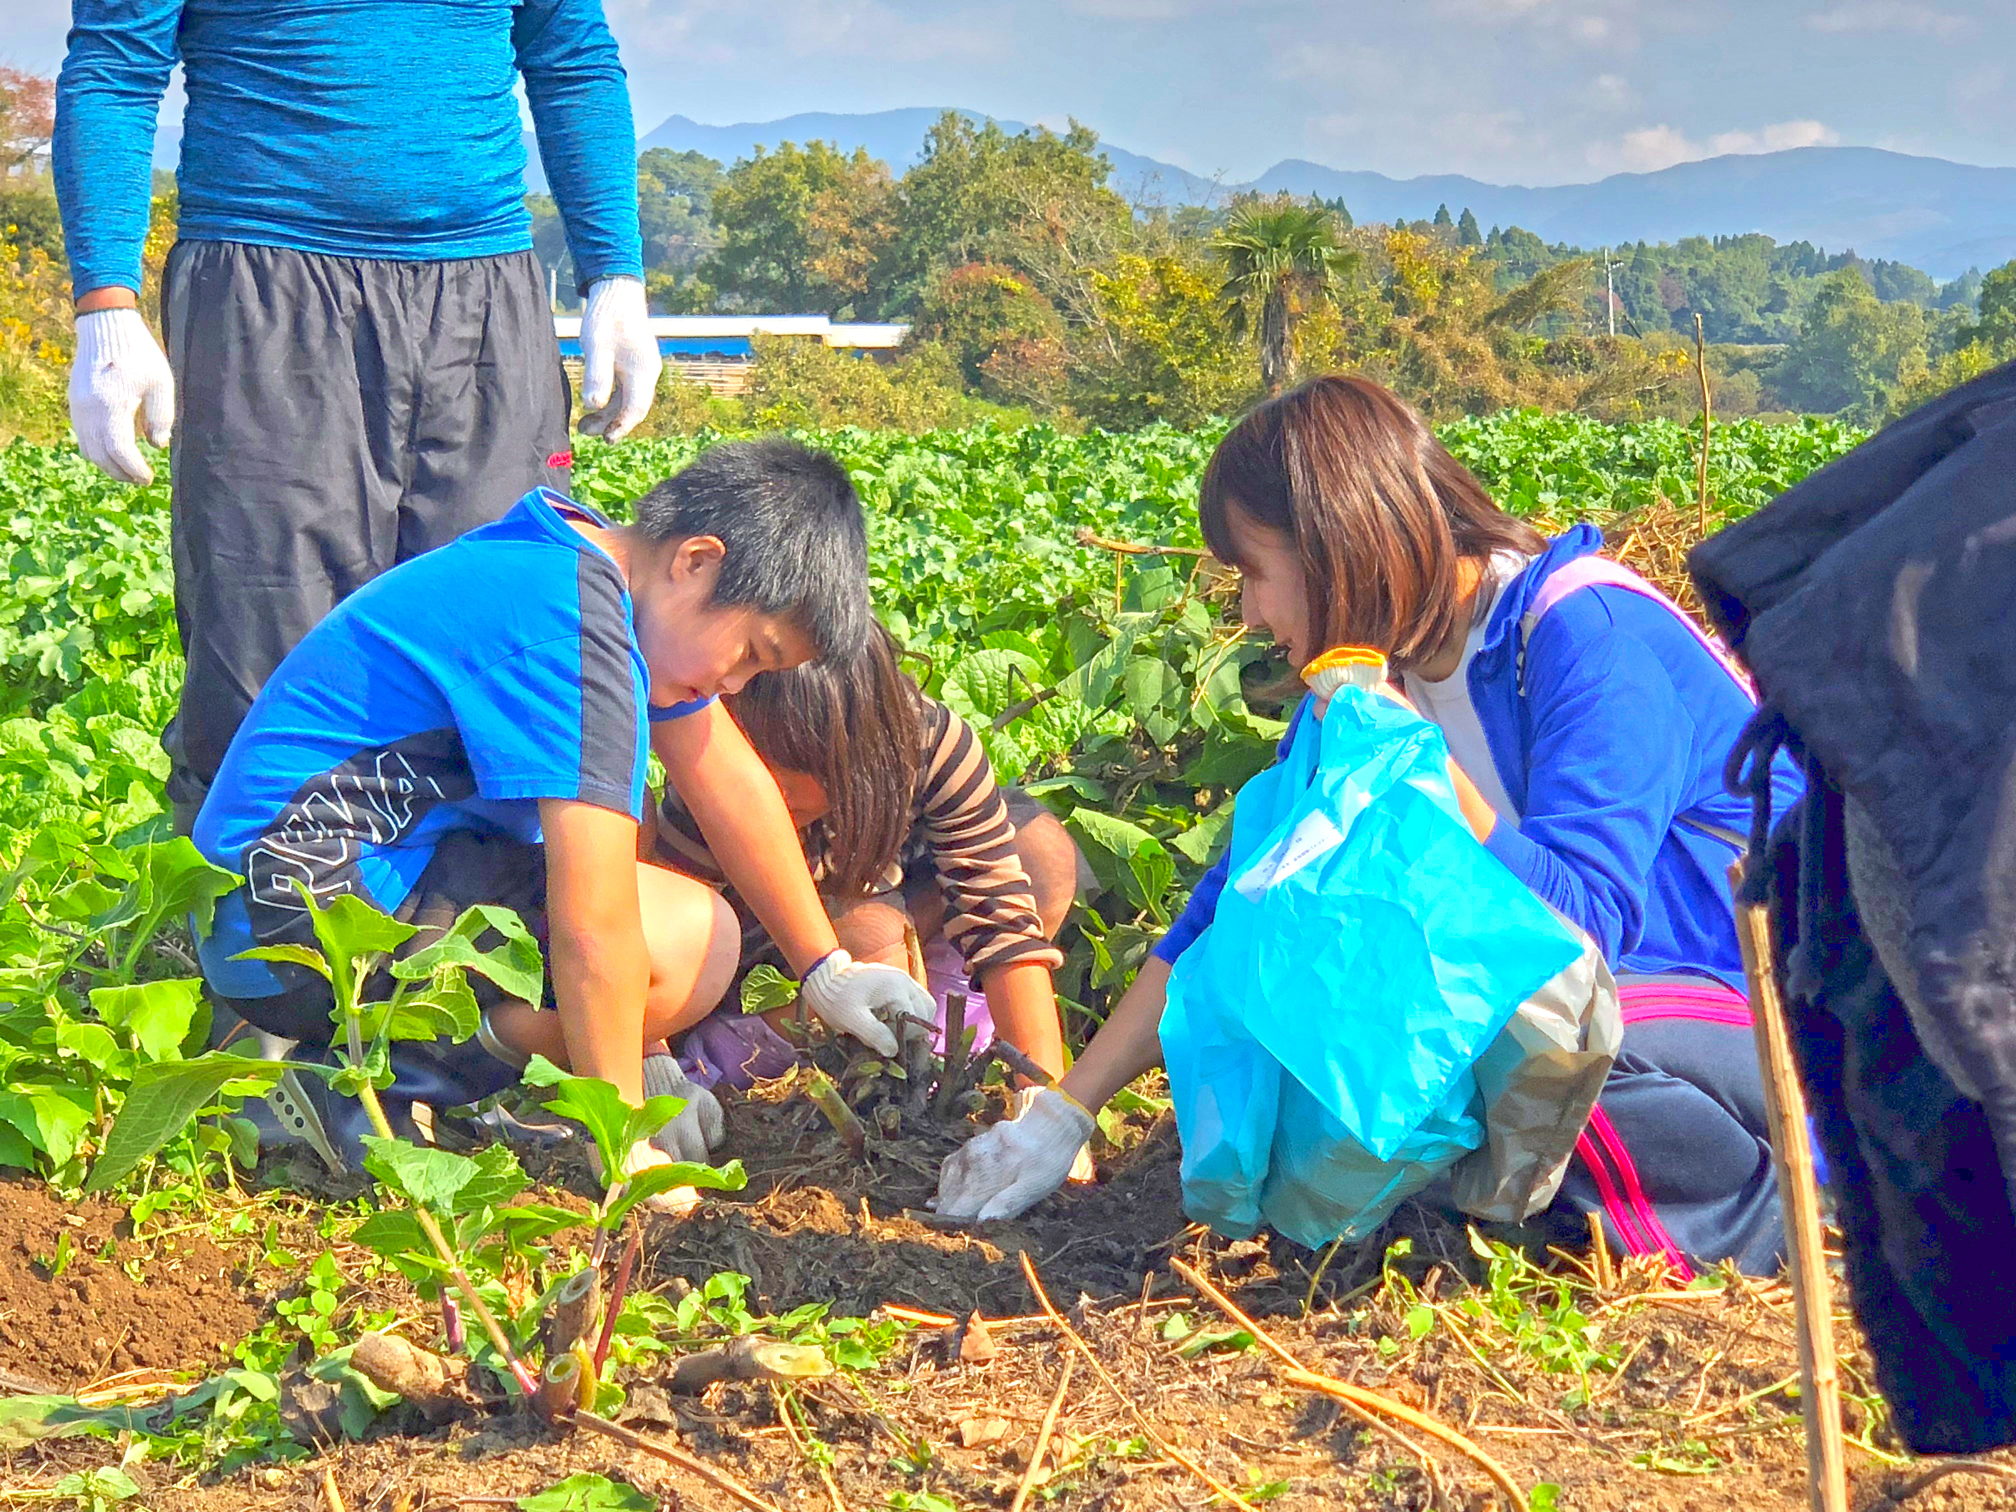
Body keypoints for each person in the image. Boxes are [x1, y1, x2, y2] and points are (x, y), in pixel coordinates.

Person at [937, 375, 1801, 1277]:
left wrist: (1437, 781)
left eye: (1254, 574)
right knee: (1331, 1054)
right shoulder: (1363, 683)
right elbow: (1234, 899)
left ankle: (1756, 1218)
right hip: (1602, 1006)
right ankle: (1524, 1220)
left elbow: (1588, 925)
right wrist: (1066, 1111)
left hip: (1764, 1020)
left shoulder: (1583, 632)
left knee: (1535, 1059)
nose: (1248, 615)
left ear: (1335, 546)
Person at [192, 440, 933, 1187]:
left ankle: (364, 1073)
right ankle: (369, 1083)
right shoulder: (573, 628)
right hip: (297, 914)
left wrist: (827, 970)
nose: (735, 683)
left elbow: (728, 780)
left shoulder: (583, 569)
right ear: (696, 561)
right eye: (749, 652)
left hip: (322, 885)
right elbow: (596, 921)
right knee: (684, 938)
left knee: (684, 939)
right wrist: (621, 1138)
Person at [55, 0, 663, 829]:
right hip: (266, 283)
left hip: (483, 284)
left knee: (503, 616)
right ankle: (267, 938)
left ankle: (472, 937)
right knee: (268, 623)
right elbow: (114, 67)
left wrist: (615, 273)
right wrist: (105, 303)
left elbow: (572, 58)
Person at [653, 621, 1086, 1095]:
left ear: (866, 751)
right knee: (874, 942)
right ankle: (732, 1057)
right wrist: (652, 1058)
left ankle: (941, 1036)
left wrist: (1046, 1102)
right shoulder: (715, 777)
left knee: (1042, 857)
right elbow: (658, 937)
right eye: (756, 761)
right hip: (767, 952)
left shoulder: (930, 743)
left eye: (798, 768)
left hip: (898, 890)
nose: (769, 789)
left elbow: (1002, 922)